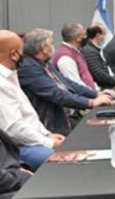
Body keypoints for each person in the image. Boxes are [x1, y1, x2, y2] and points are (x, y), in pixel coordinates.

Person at [17, 29, 115, 135]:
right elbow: (55, 94)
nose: (53, 46)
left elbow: (68, 83)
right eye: (51, 43)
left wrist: (96, 94)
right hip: (49, 125)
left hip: (64, 116)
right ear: (44, 48)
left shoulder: (44, 63)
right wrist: (91, 102)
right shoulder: (28, 67)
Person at [0, 30, 67, 169]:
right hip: (15, 147)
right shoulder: (2, 83)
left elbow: (28, 115)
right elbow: (13, 129)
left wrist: (47, 135)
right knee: (63, 163)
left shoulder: (9, 75)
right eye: (22, 52)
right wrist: (48, 142)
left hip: (30, 139)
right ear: (13, 54)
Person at [0, 128, 33, 199]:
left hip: (8, 178)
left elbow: (7, 155)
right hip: (5, 187)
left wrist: (19, 168)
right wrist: (21, 176)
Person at [53, 23, 97, 90]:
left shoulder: (76, 52)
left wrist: (98, 90)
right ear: (77, 38)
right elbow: (75, 84)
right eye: (84, 35)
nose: (86, 37)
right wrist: (96, 93)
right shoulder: (65, 58)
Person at [81, 23, 115, 89]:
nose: (106, 37)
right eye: (104, 34)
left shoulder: (95, 48)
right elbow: (99, 74)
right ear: (98, 35)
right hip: (102, 87)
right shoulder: (89, 51)